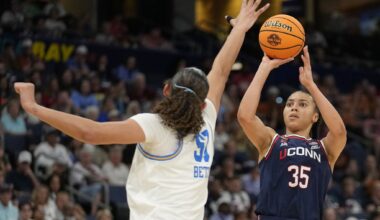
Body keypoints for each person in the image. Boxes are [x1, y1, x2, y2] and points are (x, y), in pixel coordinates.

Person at [14, 0, 270, 219]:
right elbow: (222, 70)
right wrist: (240, 30)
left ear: (167, 90)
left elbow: (90, 133)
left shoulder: (154, 125)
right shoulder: (207, 117)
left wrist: (34, 107)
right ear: (204, 103)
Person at [237, 46, 347, 219]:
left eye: (302, 104)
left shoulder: (324, 148)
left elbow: (339, 131)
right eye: (289, 104)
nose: (294, 107)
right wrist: (264, 68)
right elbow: (245, 116)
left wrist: (311, 86)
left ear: (315, 116)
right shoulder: (271, 141)